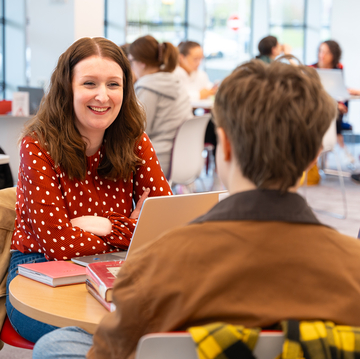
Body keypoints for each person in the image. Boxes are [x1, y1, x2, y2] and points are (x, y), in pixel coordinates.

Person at [33, 60, 360, 359]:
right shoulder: (353, 266)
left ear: (224, 145)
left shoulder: (156, 263)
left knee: (57, 344)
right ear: (315, 155)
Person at [6, 37, 172, 344]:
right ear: (67, 88)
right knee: (111, 337)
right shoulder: (38, 145)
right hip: (40, 270)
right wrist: (132, 226)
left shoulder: (135, 139)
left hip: (119, 266)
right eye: (89, 83)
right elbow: (57, 244)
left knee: (160, 330)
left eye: (113, 84)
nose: (103, 96)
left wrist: (105, 224)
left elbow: (166, 226)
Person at [128, 35, 193, 178]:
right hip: (183, 156)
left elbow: (140, 132)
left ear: (142, 63)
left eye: (131, 61)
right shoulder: (174, 82)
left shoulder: (148, 87)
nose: (130, 66)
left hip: (157, 160)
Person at [309, 40, 352, 148]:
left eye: (326, 52)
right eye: (320, 51)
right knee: (333, 109)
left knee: (337, 110)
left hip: (333, 104)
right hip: (316, 105)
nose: (322, 55)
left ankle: (336, 144)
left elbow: (338, 88)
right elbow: (314, 93)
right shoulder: (311, 69)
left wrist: (340, 103)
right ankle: (340, 145)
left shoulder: (339, 68)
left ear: (334, 54)